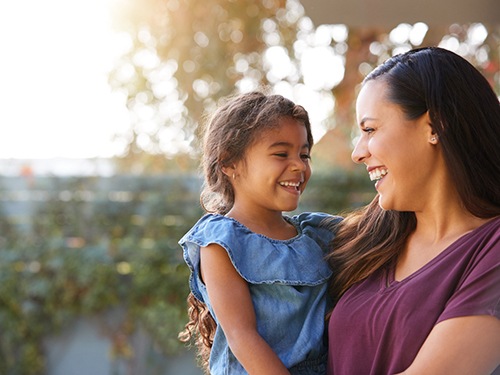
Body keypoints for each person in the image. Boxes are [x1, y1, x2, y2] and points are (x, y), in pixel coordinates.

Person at [325, 46, 500, 375]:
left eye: (370, 130)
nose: (357, 153)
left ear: (436, 125)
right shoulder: (365, 238)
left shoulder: (491, 249)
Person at [178, 91, 342, 374]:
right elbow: (243, 337)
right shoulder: (220, 243)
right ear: (229, 163)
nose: (299, 166)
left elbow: (378, 227)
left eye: (304, 154)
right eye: (281, 154)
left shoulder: (317, 234)